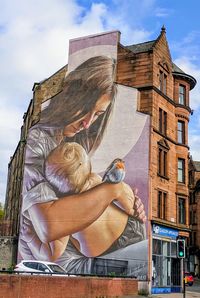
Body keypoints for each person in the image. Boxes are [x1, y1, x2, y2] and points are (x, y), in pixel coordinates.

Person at [18, 56, 146, 273]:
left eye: (97, 114)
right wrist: (112, 190)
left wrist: (129, 203)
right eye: (85, 109)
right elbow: (50, 226)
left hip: (119, 245)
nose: (87, 123)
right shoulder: (39, 140)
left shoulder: (75, 145)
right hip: (86, 262)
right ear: (71, 99)